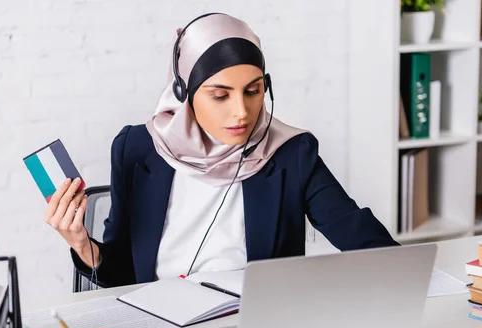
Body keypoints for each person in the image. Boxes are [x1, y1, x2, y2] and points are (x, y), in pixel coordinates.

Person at [44, 13, 399, 288]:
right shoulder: (136, 150)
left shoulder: (292, 154)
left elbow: (364, 241)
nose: (241, 112)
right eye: (219, 95)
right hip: (161, 327)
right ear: (184, 93)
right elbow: (122, 275)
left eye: (253, 90)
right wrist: (81, 243)